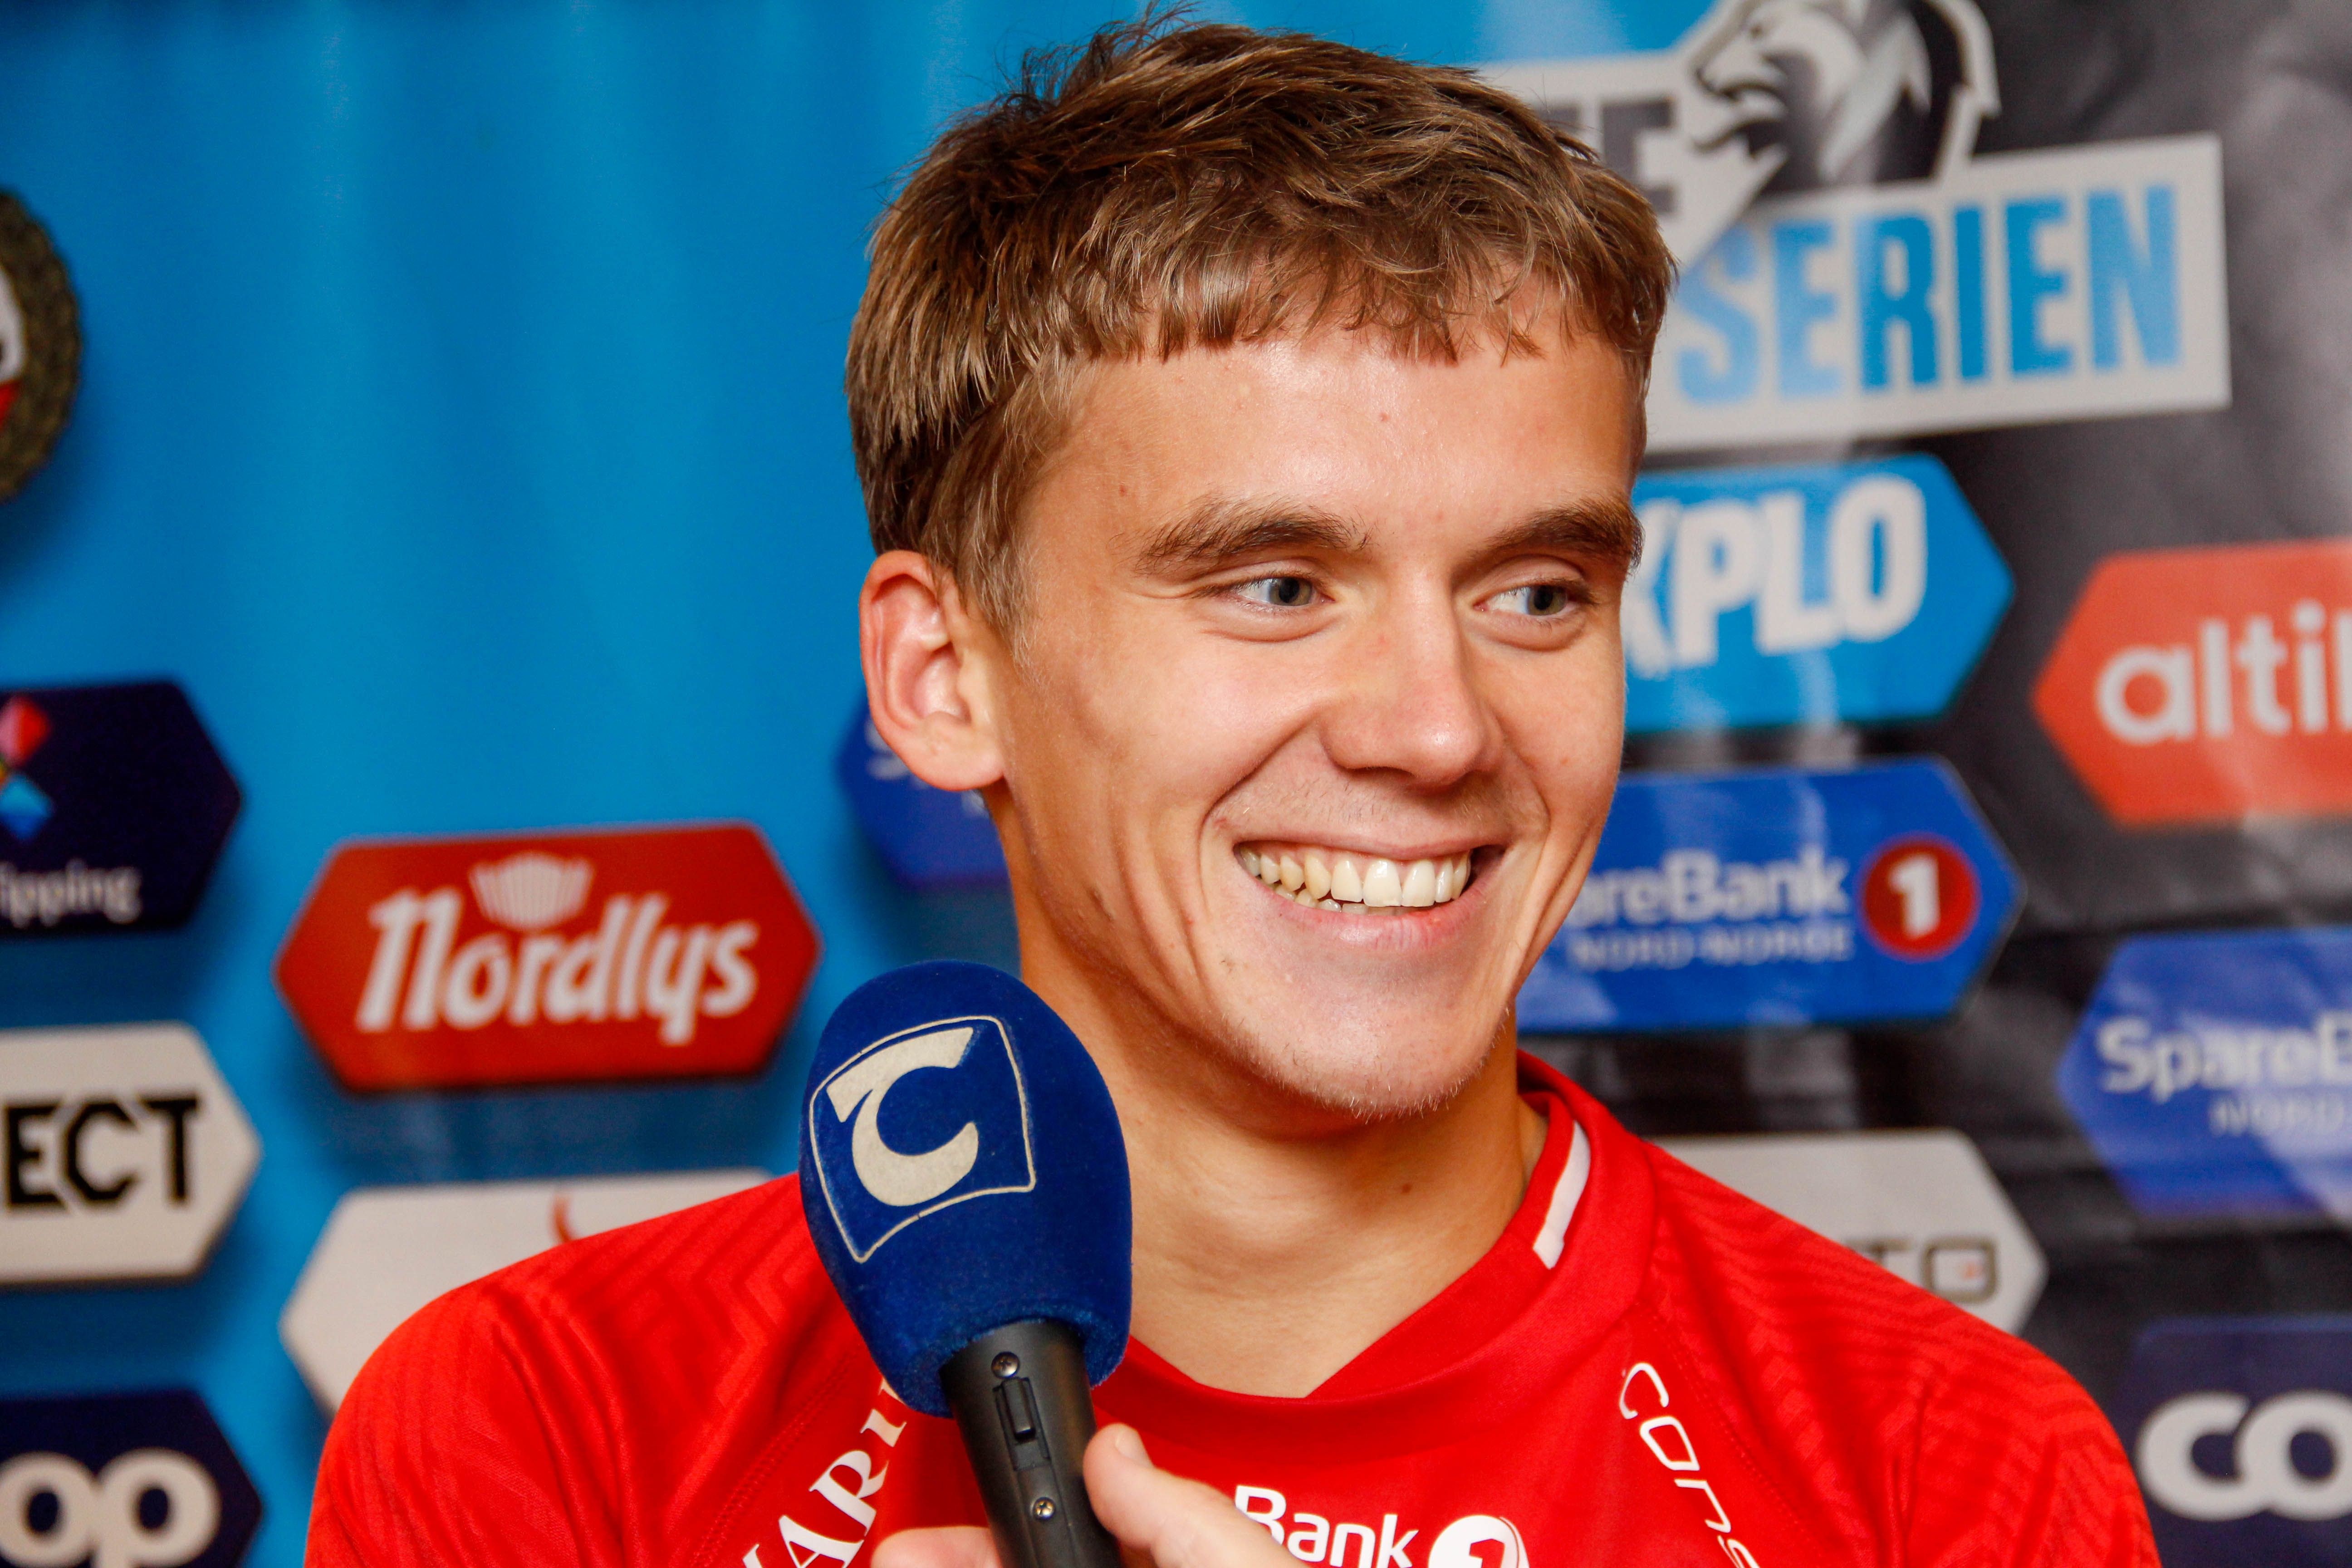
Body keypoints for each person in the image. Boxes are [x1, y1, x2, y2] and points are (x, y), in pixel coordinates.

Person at [307, 18, 2156, 1568]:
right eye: (1278, 586)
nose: (1438, 730)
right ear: (943, 680)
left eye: (1536, 593)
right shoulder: (547, 1434)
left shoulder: (1948, 1477)